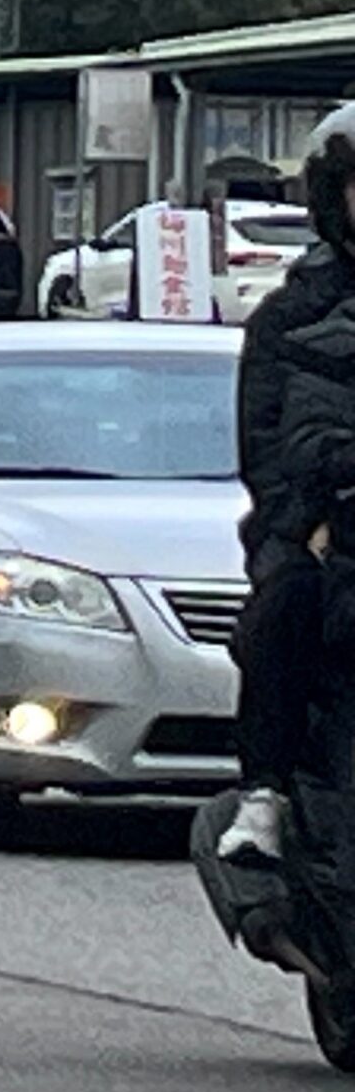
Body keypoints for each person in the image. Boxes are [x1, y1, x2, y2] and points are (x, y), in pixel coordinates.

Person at [222, 105, 355, 864]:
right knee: (288, 603)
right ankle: (264, 796)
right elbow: (266, 453)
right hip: (320, 525)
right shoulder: (291, 315)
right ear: (333, 198)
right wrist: (308, 517)